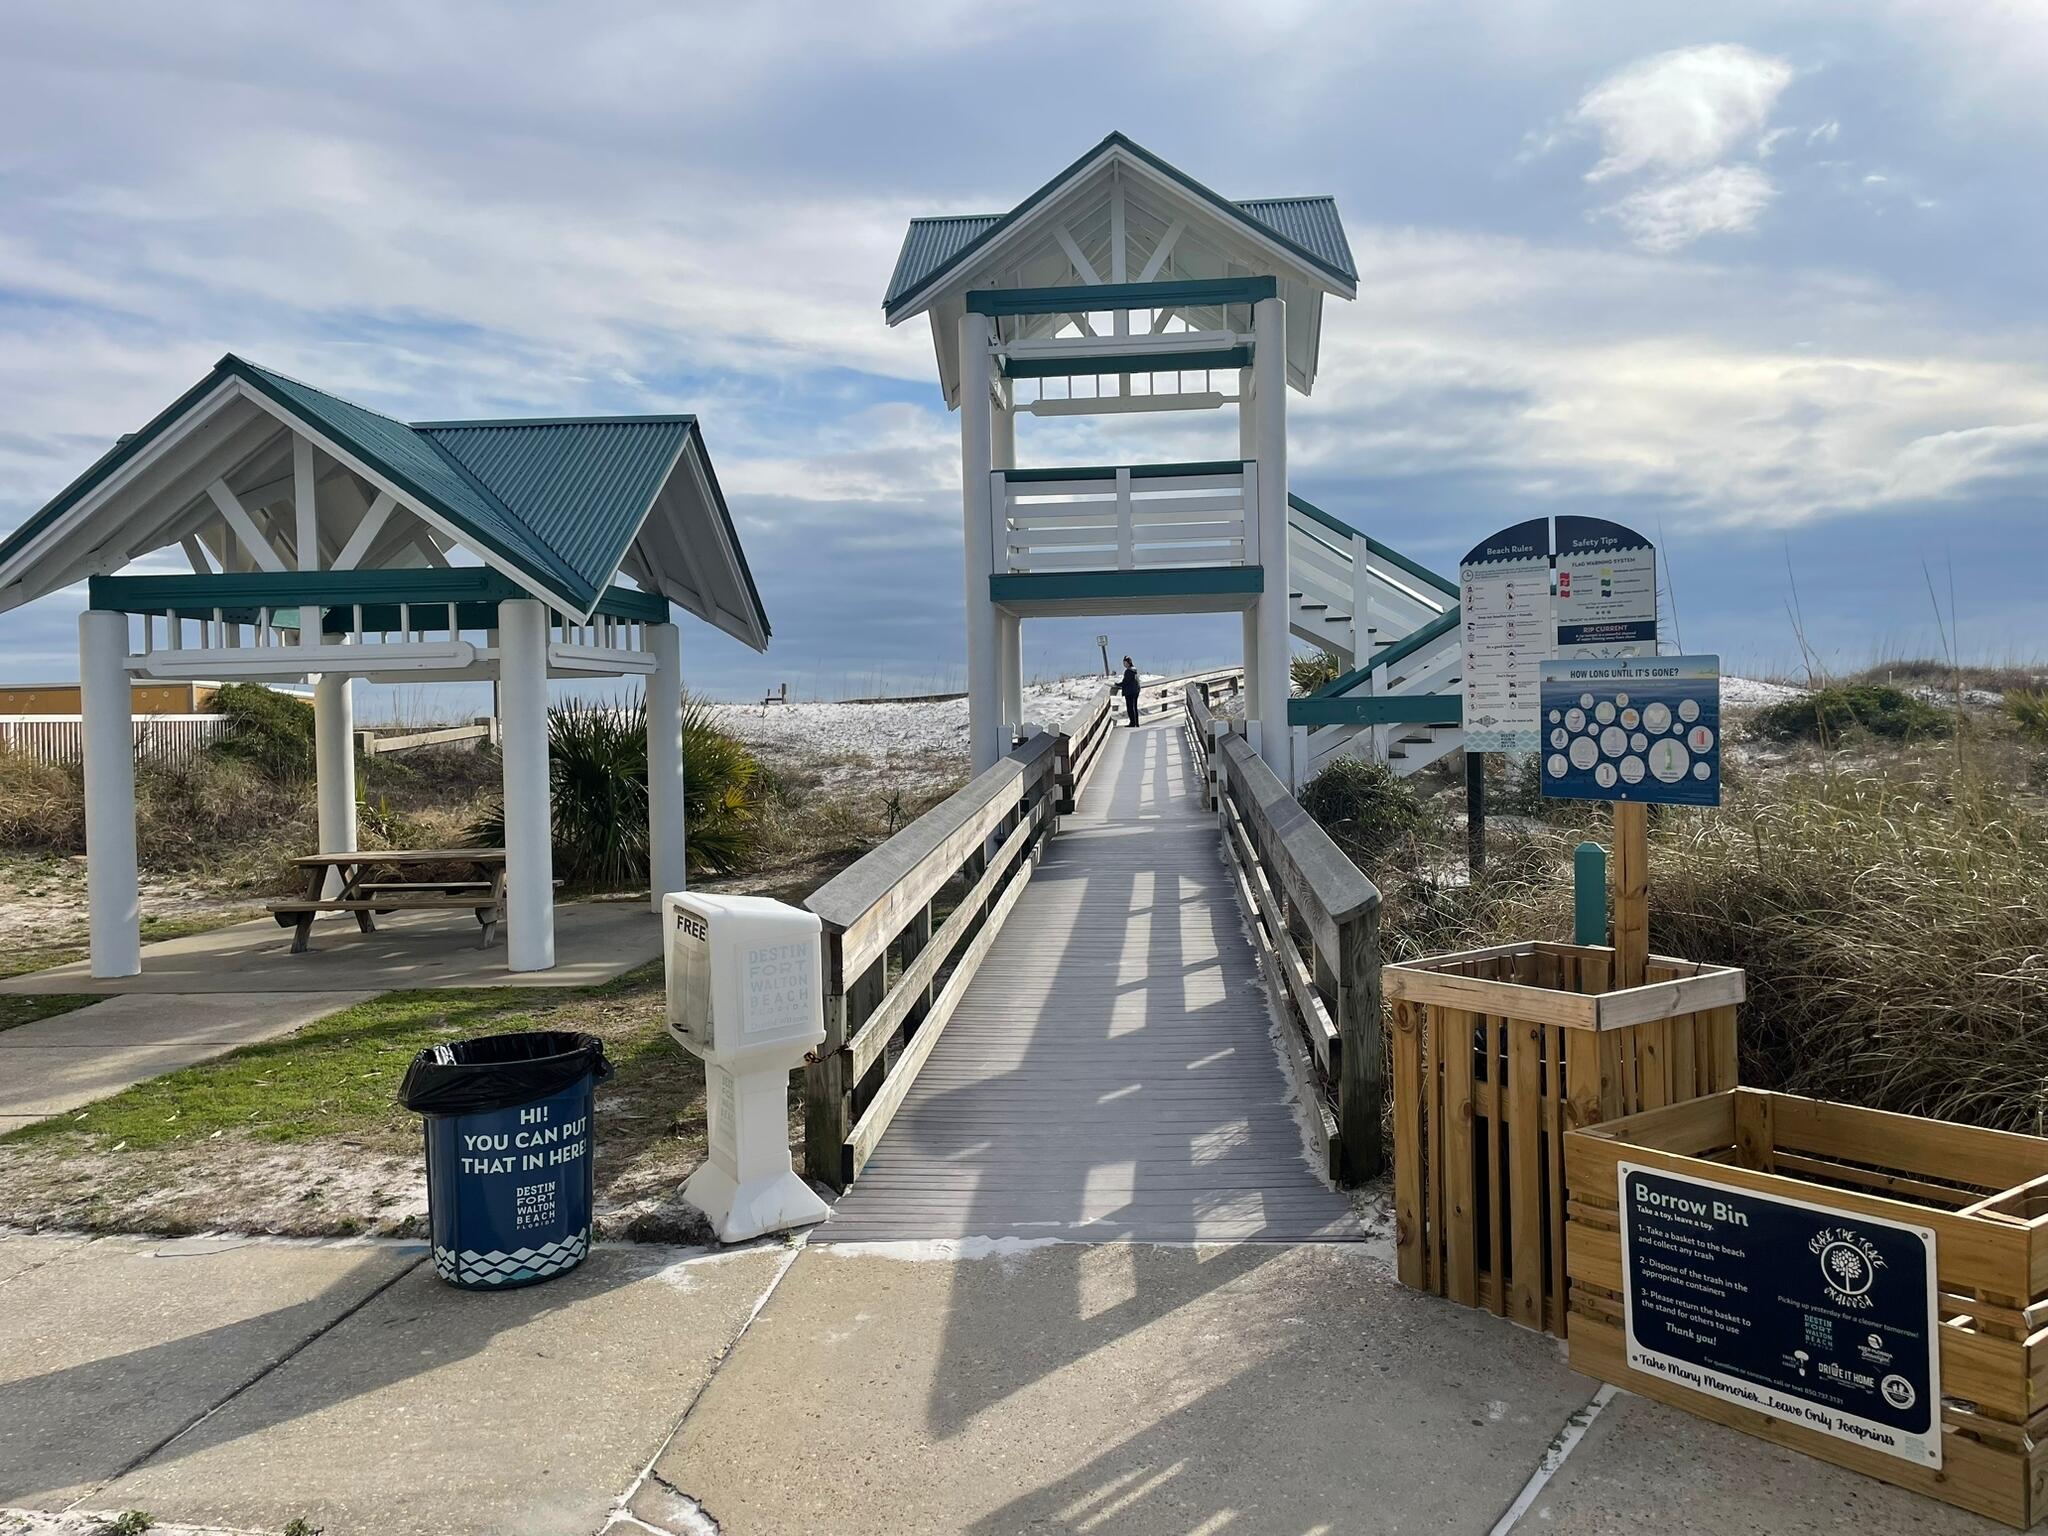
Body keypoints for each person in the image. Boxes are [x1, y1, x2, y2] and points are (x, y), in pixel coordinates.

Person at [1119, 656, 1141, 726]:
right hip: (1136, 690)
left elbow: (1125, 682)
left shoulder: (1128, 671)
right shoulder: (1135, 670)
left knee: (1130, 707)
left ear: (1129, 663)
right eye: (1123, 663)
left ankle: (1132, 723)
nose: (1124, 664)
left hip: (1130, 691)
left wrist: (1118, 684)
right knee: (1134, 707)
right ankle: (1136, 723)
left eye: (1125, 663)